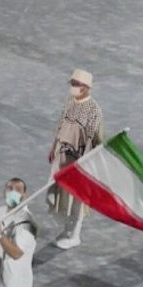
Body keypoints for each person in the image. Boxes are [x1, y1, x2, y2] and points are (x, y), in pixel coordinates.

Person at [47, 69, 104, 249]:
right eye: (72, 83)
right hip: (62, 156)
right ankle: (67, 230)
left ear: (86, 87)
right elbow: (60, 126)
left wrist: (86, 161)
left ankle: (76, 234)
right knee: (62, 194)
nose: (73, 87)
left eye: (76, 84)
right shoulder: (69, 102)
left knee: (77, 197)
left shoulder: (94, 110)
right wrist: (53, 147)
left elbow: (96, 139)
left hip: (80, 160)